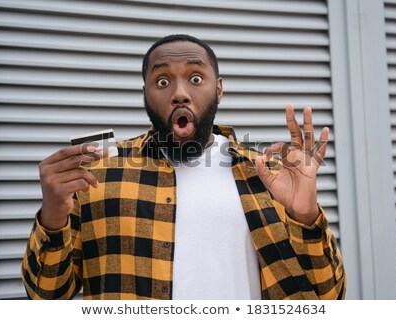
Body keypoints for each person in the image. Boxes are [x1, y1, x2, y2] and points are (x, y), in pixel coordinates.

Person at [21, 34, 346, 300]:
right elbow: (46, 297)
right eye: (162, 81)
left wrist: (305, 215)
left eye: (195, 78)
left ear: (218, 88)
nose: (179, 93)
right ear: (145, 94)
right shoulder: (96, 174)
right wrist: (52, 216)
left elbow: (329, 295)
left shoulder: (268, 174)